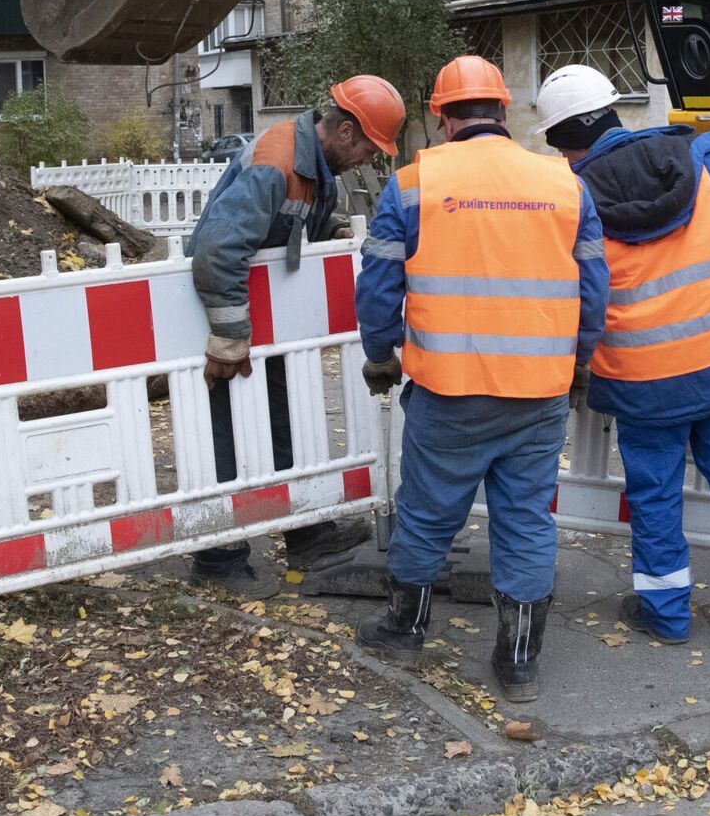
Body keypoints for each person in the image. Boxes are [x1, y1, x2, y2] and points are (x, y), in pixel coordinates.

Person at [352, 55, 608, 702]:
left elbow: (379, 288)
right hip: (538, 393)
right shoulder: (564, 184)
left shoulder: (413, 183)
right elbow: (594, 290)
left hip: (449, 390)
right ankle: (518, 661)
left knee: (429, 512)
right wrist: (577, 365)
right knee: (525, 520)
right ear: (504, 111)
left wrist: (381, 356)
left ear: (442, 117)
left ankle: (404, 630)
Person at [533, 64, 710, 645]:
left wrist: (575, 366)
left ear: (558, 142)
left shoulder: (568, 200)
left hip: (644, 378)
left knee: (653, 494)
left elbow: (570, 293)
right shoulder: (704, 166)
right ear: (614, 111)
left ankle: (667, 615)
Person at [187, 75, 408, 597]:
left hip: (263, 313)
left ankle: (305, 532)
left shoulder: (313, 161)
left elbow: (291, 213)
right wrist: (229, 335)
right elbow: (218, 250)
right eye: (370, 150)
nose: (369, 162)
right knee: (228, 431)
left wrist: (325, 229)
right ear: (347, 131)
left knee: (283, 418)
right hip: (226, 311)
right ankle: (219, 555)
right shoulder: (278, 160)